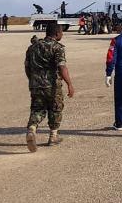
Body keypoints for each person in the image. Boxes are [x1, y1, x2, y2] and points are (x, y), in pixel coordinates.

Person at [24, 23, 75, 152]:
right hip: (52, 86)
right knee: (55, 108)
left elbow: (27, 67)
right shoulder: (57, 48)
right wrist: (69, 83)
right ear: (57, 34)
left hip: (35, 85)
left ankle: (32, 128)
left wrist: (32, 80)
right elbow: (62, 67)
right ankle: (53, 136)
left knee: (37, 108)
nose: (62, 34)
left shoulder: (33, 47)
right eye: (61, 33)